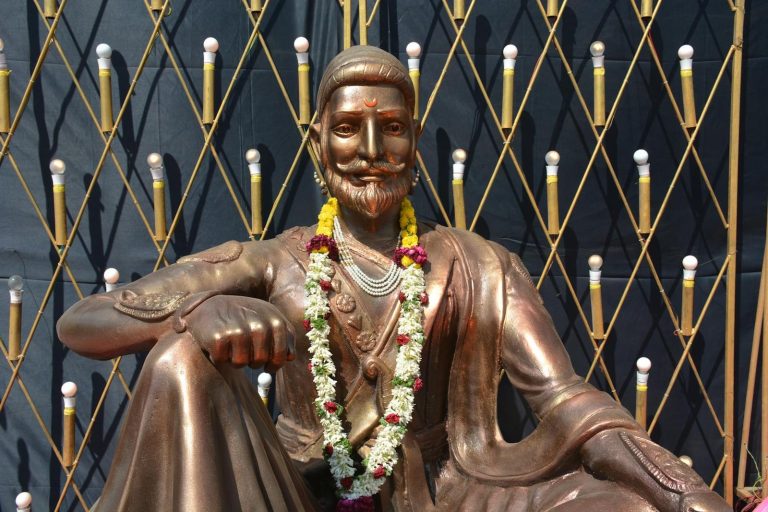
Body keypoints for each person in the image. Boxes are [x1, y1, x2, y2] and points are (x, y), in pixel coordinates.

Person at [57, 45, 729, 512]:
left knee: (623, 506)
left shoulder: (479, 265)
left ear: (414, 142)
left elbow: (566, 400)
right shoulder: (272, 260)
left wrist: (679, 490)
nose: (372, 153)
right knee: (179, 363)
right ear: (319, 144)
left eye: (392, 130)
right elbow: (81, 323)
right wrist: (193, 317)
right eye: (349, 129)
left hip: (451, 489)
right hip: (301, 489)